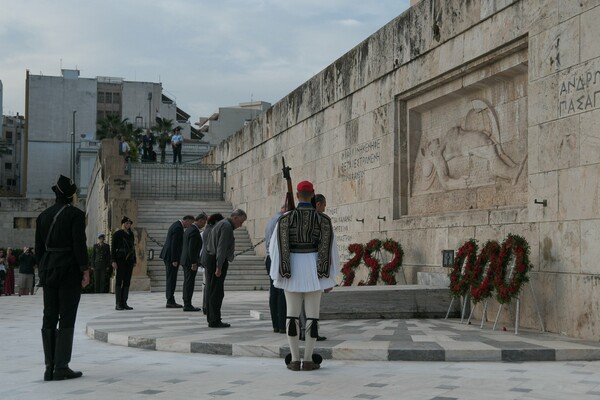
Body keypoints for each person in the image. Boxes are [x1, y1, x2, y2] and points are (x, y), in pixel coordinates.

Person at [269, 181, 339, 371]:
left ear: (298, 195)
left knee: (291, 315)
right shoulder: (323, 220)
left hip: (290, 270)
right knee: (312, 317)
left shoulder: (284, 219)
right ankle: (308, 359)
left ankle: (293, 359)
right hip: (315, 271)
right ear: (313, 194)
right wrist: (329, 277)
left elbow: (275, 249)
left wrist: (278, 273)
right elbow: (331, 250)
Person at [35, 175, 89, 381]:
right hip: (68, 271)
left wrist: (43, 269)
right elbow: (79, 245)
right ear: (71, 196)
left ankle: (49, 368)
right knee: (66, 316)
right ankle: (61, 366)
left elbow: (39, 249)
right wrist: (85, 270)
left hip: (48, 271)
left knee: (49, 315)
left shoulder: (43, 216)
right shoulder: (75, 215)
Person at [203, 209, 247, 328]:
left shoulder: (221, 224)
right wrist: (219, 266)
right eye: (241, 222)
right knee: (216, 292)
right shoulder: (226, 226)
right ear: (235, 218)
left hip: (211, 259)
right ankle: (214, 320)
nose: (240, 225)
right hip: (216, 261)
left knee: (212, 291)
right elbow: (221, 247)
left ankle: (212, 318)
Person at [299, 193, 328, 341]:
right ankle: (307, 331)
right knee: (309, 302)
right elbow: (325, 250)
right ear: (318, 204)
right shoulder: (320, 221)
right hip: (310, 267)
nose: (324, 208)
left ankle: (307, 331)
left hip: (302, 267)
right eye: (323, 205)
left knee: (305, 302)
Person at [160, 215, 195, 308]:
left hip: (168, 255)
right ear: (186, 221)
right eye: (190, 224)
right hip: (171, 257)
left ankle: (170, 299)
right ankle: (170, 300)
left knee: (171, 278)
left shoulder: (176, 225)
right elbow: (174, 244)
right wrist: (174, 259)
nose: (189, 226)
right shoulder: (178, 228)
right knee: (171, 279)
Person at [265, 203, 287, 334]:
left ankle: (276, 325)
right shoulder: (280, 220)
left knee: (274, 292)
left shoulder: (272, 219)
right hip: (276, 258)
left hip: (270, 258)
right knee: (281, 292)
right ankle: (282, 324)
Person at [181, 213, 208, 312]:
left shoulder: (190, 229)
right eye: (204, 222)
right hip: (190, 262)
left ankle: (186, 302)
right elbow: (191, 248)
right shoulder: (193, 231)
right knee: (189, 283)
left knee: (187, 282)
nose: (204, 225)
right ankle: (187, 304)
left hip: (186, 260)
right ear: (200, 220)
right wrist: (194, 262)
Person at [200, 213, 224, 315]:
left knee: (208, 285)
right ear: (216, 221)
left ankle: (206, 306)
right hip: (210, 259)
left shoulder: (208, 229)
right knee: (210, 286)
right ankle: (208, 307)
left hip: (206, 258)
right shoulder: (212, 230)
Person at [111, 217, 136, 310]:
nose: (128, 225)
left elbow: (133, 248)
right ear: (123, 224)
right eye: (127, 223)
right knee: (119, 280)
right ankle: (118, 303)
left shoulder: (131, 234)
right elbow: (113, 248)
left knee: (127, 280)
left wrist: (134, 259)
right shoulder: (117, 234)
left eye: (129, 223)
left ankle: (124, 302)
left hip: (129, 260)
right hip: (120, 259)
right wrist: (113, 260)